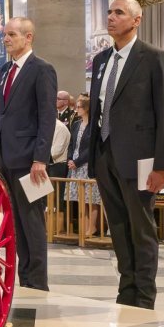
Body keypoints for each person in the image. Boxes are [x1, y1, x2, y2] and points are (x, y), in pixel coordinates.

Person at [86, 0, 164, 310]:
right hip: (105, 153)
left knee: (141, 227)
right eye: (110, 12)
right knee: (119, 226)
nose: (111, 17)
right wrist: (91, 154)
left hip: (141, 158)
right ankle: (126, 289)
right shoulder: (101, 61)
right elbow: (97, 110)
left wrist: (163, 165)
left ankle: (144, 295)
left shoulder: (153, 58)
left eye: (119, 12)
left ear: (136, 20)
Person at [0, 17, 56, 290]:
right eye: (5, 34)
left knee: (33, 223)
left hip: (29, 160)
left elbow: (47, 116)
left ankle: (37, 283)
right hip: (4, 158)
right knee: (14, 223)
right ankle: (23, 279)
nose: (6, 39)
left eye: (12, 34)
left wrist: (40, 158)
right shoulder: (4, 70)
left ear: (28, 38)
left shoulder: (42, 70)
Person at [65, 95, 101, 237]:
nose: (76, 109)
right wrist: (70, 159)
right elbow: (72, 144)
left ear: (86, 109)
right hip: (74, 164)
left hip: (87, 165)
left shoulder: (94, 126)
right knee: (81, 199)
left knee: (91, 198)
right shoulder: (76, 124)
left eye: (79, 107)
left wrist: (78, 161)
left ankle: (92, 227)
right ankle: (84, 227)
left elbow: (91, 148)